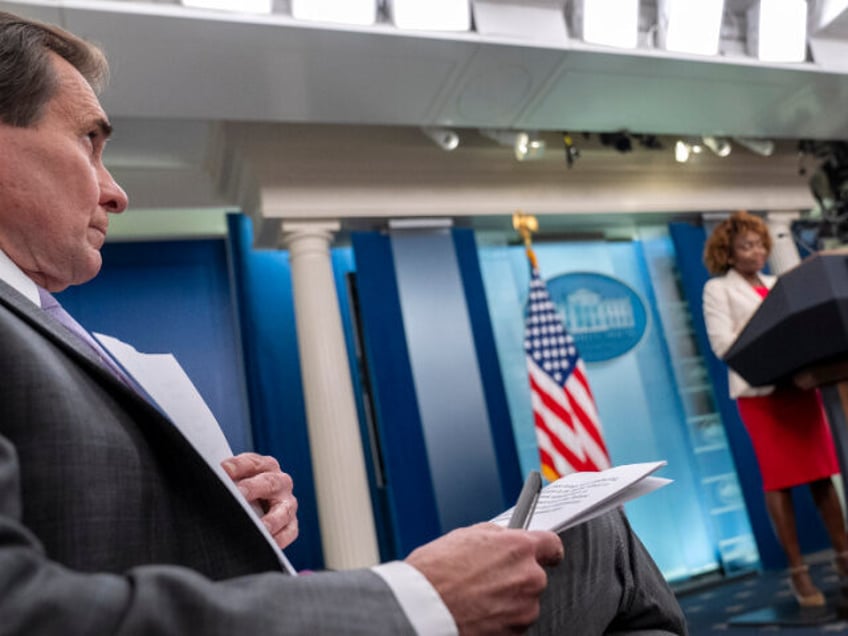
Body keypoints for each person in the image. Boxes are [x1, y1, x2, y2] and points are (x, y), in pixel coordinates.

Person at [0, 11, 687, 634]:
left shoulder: (48, 326)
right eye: (90, 140)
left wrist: (228, 515)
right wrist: (415, 600)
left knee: (593, 529)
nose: (116, 191)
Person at [702, 210, 848, 608]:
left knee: (822, 475)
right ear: (729, 255)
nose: (757, 251)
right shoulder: (718, 290)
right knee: (780, 480)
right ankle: (798, 572)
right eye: (746, 246)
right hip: (761, 395)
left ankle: (844, 558)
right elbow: (724, 345)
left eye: (760, 243)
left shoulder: (777, 283)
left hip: (800, 389)